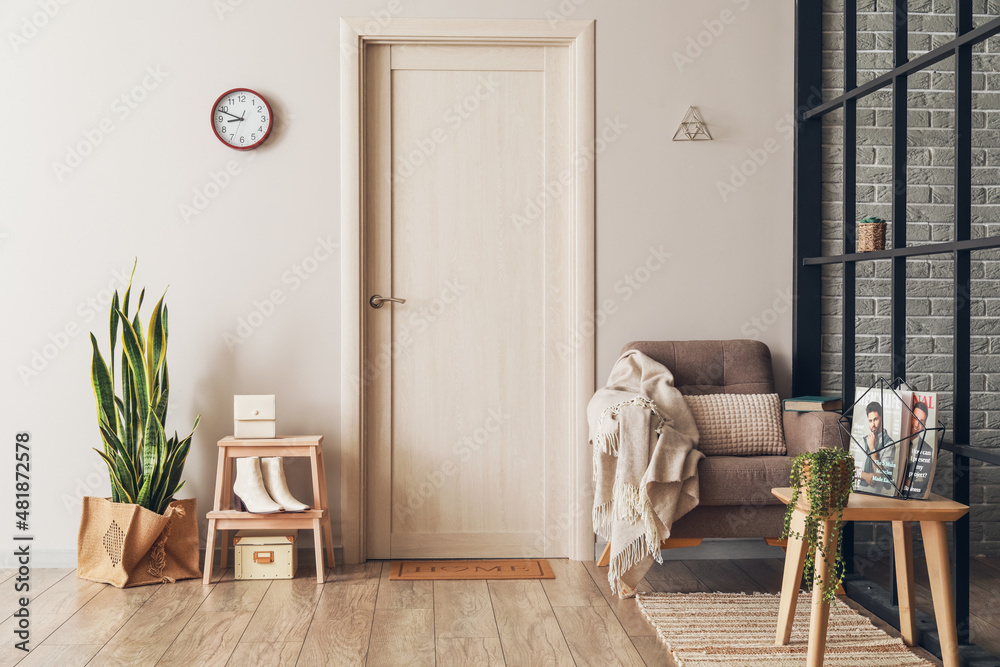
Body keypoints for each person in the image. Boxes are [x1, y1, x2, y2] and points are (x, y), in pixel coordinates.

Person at [855, 401, 893, 493]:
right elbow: (852, 469)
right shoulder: (862, 441)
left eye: (875, 419)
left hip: (875, 496)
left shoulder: (889, 444)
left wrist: (872, 448)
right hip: (856, 492)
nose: (873, 424)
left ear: (882, 418)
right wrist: (865, 476)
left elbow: (881, 477)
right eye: (870, 421)